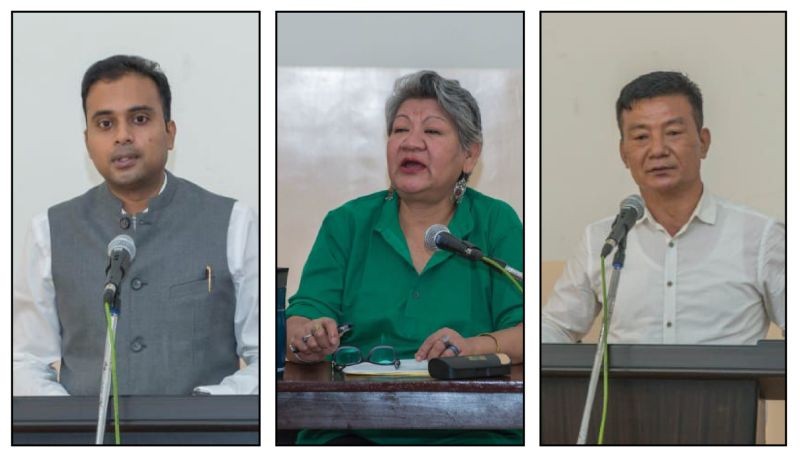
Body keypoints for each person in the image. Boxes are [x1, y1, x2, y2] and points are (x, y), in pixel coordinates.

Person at [284, 70, 523, 444]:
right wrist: (308, 336)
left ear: (469, 154)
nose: (411, 143)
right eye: (399, 130)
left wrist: (471, 348)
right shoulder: (347, 223)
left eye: (432, 131)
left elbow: (526, 334)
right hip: (353, 426)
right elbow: (302, 318)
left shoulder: (496, 223)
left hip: (472, 427)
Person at [13, 55, 259, 396]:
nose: (122, 136)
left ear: (169, 133)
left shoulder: (235, 224)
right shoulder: (48, 233)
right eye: (105, 124)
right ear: (87, 142)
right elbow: (25, 361)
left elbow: (265, 359)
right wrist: (68, 424)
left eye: (140, 119)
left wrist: (204, 410)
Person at [542, 71, 785, 344]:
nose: (657, 150)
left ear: (703, 142)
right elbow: (556, 327)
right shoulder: (602, 240)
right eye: (641, 137)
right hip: (625, 388)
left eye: (673, 133)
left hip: (731, 388)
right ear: (624, 153)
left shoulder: (761, 236)